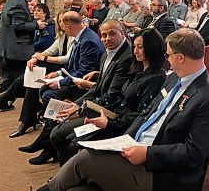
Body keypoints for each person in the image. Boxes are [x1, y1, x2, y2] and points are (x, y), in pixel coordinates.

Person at [9, 28, 209, 191]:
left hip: (160, 174)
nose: (166, 59)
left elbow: (193, 153)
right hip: (133, 148)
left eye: (169, 55)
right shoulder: (174, 79)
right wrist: (115, 131)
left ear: (180, 57)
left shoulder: (208, 98)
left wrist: (147, 154)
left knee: (84, 160)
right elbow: (146, 115)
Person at [50, 28, 165, 166]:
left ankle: (66, 180)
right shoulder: (138, 69)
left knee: (74, 143)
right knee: (67, 135)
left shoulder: (155, 78)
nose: (135, 51)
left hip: (121, 124)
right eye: (134, 46)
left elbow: (141, 115)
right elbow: (118, 98)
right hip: (113, 115)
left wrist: (107, 122)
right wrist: (87, 108)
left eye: (140, 47)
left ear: (152, 48)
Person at [0, 11, 75, 136]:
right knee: (32, 83)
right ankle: (26, 120)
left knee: (37, 69)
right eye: (60, 21)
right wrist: (36, 57)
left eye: (64, 21)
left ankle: (10, 96)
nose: (62, 24)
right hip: (59, 67)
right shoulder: (62, 36)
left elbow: (67, 59)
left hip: (67, 70)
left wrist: (42, 58)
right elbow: (51, 50)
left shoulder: (73, 36)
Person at [0, 0, 38, 94]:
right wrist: (37, 25)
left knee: (12, 78)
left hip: (9, 47)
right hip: (16, 48)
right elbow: (18, 26)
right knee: (12, 78)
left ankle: (2, 101)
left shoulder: (12, 1)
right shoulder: (19, 4)